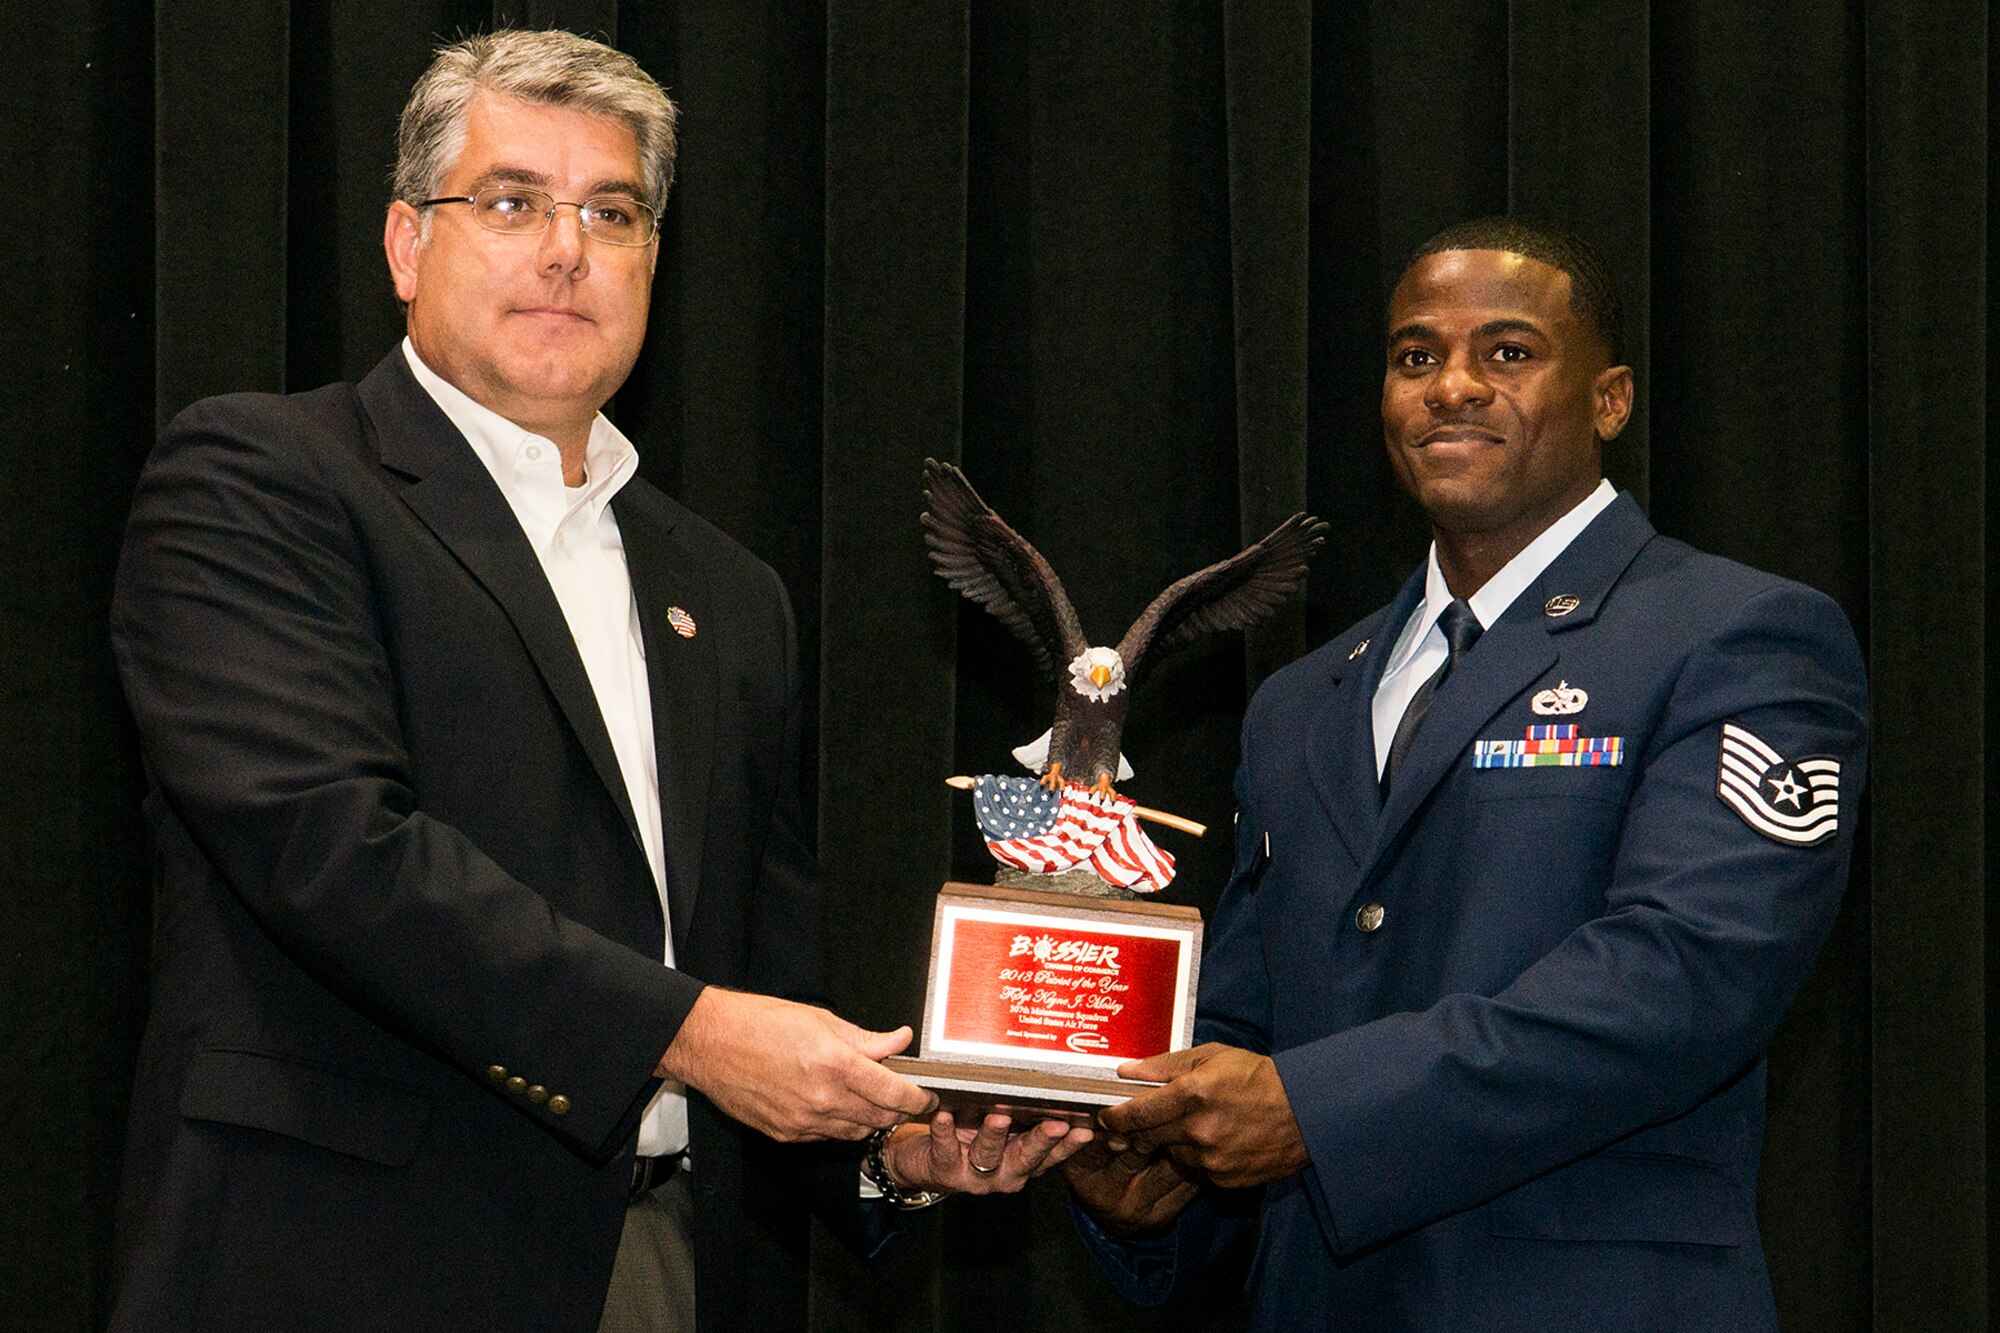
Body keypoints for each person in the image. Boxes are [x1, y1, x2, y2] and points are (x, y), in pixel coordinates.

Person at [108, 29, 1084, 1333]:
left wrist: (883, 1145)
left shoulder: (728, 593)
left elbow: (763, 972)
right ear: (407, 245)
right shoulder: (261, 479)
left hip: (650, 1268)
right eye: (511, 201)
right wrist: (689, 1032)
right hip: (336, 1263)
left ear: (652, 263)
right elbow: (331, 851)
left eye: (611, 212)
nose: (567, 246)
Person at [1063, 216, 1868, 1331]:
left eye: (1507, 351)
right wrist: (1154, 1181)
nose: (1451, 387)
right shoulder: (1300, 699)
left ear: (1609, 398)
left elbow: (1687, 973)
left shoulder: (1736, 635)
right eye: (1412, 357)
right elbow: (1254, 1024)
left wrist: (1315, 1112)